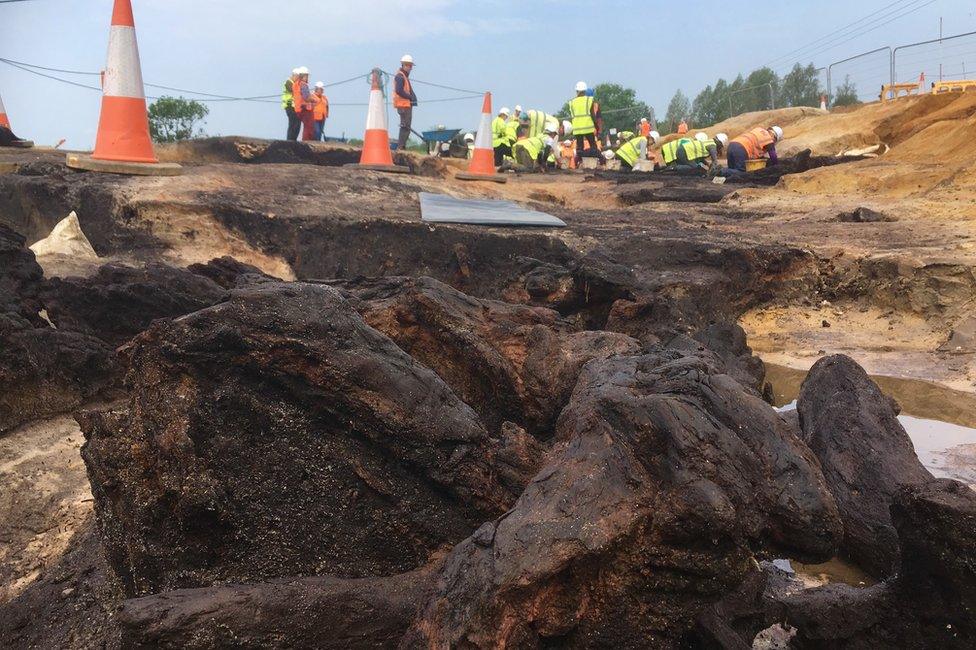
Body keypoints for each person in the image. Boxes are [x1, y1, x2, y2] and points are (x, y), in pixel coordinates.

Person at [568, 81, 602, 167]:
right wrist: (597, 127)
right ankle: (596, 163)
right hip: (588, 127)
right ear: (585, 90)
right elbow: (593, 116)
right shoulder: (589, 100)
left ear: (576, 91)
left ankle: (577, 163)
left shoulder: (572, 102)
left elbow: (573, 116)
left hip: (577, 129)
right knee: (593, 146)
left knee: (579, 148)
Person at [393, 55, 418, 151]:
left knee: (406, 126)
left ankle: (402, 146)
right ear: (404, 65)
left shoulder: (404, 77)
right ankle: (400, 147)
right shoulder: (400, 76)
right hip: (403, 105)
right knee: (405, 126)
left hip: (406, 105)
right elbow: (399, 90)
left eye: (411, 66)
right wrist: (410, 97)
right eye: (409, 66)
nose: (410, 68)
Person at [292, 67, 315, 141]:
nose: (307, 77)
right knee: (309, 126)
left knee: (297, 126)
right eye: (307, 76)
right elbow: (306, 97)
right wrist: (313, 100)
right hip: (304, 108)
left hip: (298, 108)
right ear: (303, 76)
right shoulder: (303, 85)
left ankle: (303, 141)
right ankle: (306, 141)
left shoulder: (295, 84)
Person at [283, 68, 301, 141]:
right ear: (294, 75)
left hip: (294, 106)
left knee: (296, 123)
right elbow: (293, 91)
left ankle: (293, 139)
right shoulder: (288, 82)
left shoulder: (294, 84)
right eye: (297, 77)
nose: (298, 79)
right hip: (289, 105)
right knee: (292, 123)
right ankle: (290, 139)